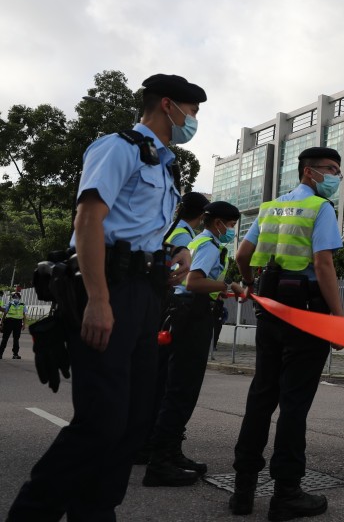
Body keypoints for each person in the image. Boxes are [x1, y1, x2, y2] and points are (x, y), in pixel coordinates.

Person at [7, 74, 202, 521]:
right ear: (168, 105)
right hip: (108, 290)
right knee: (101, 422)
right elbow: (88, 221)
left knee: (133, 424)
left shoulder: (165, 162)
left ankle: (95, 514)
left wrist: (176, 250)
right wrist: (98, 300)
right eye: (192, 112)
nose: (193, 122)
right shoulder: (118, 147)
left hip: (145, 293)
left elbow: (140, 228)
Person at [230, 147, 344, 519]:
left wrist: (250, 285)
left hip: (270, 309)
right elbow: (323, 263)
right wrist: (339, 319)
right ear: (309, 173)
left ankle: (243, 490)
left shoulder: (270, 208)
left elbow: (241, 256)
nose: (336, 177)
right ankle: (286, 493)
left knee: (262, 397)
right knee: (294, 404)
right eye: (331, 170)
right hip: (306, 313)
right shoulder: (319, 208)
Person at [144, 201, 244, 487]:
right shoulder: (211, 244)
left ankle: (170, 452)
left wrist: (218, 291)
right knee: (182, 390)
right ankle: (160, 462)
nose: (232, 232)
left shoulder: (199, 239)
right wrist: (228, 286)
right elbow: (194, 282)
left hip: (187, 314)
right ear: (219, 223)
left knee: (179, 388)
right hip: (192, 317)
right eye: (232, 225)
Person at [137, 190, 211, 466]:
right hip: (174, 310)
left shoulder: (176, 230)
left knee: (157, 379)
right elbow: (182, 279)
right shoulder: (183, 237)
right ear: (203, 216)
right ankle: (155, 445)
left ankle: (144, 442)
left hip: (161, 308)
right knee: (170, 382)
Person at [0, 288, 26, 359]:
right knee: (5, 338)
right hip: (9, 322)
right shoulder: (9, 304)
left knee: (16, 339)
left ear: (20, 298)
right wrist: (1, 323)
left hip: (18, 323)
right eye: (14, 297)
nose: (16, 298)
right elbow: (4, 314)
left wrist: (24, 324)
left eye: (17, 297)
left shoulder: (22, 305)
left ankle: (15, 354)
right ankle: (0, 354)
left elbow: (24, 315)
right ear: (12, 298)